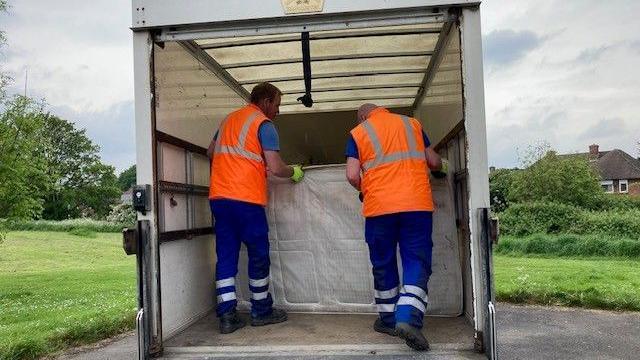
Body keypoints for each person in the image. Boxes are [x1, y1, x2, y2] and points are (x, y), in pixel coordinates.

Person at [345, 103, 446, 351]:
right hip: (416, 205)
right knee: (416, 260)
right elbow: (433, 161)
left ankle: (389, 320)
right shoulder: (412, 124)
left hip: (379, 208)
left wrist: (365, 189)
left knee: (383, 261)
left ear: (362, 117)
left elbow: (351, 174)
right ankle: (408, 319)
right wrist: (442, 168)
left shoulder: (358, 133)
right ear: (384, 110)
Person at [207, 82, 304, 334]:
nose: (278, 111)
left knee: (226, 256)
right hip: (246, 200)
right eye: (277, 105)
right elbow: (275, 166)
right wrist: (293, 172)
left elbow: (210, 152)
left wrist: (234, 166)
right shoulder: (263, 124)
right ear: (265, 102)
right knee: (258, 254)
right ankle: (261, 310)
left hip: (219, 197)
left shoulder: (228, 120)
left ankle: (227, 317)